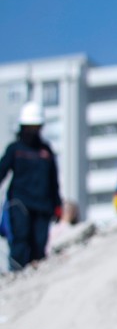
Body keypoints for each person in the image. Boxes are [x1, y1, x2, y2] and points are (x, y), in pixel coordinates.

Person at [0, 103, 62, 271]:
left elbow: (53, 181)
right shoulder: (15, 149)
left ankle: (37, 275)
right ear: (23, 127)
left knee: (39, 244)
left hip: (43, 206)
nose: (33, 131)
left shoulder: (46, 151)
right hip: (20, 203)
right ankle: (17, 273)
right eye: (30, 127)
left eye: (36, 127)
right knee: (21, 239)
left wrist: (57, 205)